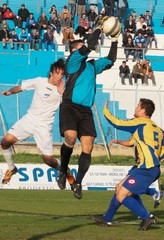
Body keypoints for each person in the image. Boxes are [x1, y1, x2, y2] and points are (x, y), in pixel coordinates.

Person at [57, 25, 119, 199]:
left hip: (85, 111)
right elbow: (89, 45)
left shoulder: (91, 66)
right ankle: (63, 171)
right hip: (69, 106)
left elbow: (110, 60)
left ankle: (78, 182)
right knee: (70, 137)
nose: (83, 47)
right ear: (74, 50)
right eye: (80, 46)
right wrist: (99, 28)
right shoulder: (73, 62)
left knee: (88, 146)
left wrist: (114, 41)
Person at [91, 98, 164, 230]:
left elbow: (117, 123)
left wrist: (105, 111)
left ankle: (147, 217)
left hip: (147, 168)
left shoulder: (139, 123)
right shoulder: (157, 129)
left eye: (137, 106)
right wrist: (119, 141)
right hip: (144, 167)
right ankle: (107, 219)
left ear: (142, 110)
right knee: (119, 188)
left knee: (122, 194)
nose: (135, 109)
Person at [0, 59, 75, 189]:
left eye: (62, 74)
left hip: (44, 126)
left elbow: (70, 105)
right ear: (51, 73)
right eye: (58, 73)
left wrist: (63, 93)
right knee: (5, 142)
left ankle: (65, 170)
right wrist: (10, 92)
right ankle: (11, 168)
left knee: (48, 160)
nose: (60, 77)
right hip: (29, 120)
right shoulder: (39, 81)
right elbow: (21, 87)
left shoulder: (63, 89)